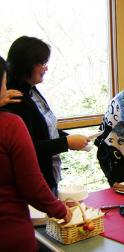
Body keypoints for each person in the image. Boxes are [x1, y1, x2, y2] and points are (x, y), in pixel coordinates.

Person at [0, 55, 72, 252]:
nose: (46, 69)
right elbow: (30, 183)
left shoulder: (31, 94)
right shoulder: (11, 121)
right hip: (9, 232)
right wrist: (59, 208)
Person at [4, 36, 89, 195]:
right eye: (42, 64)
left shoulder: (30, 89)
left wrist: (71, 138)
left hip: (48, 177)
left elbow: (44, 129)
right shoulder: (16, 98)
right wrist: (66, 143)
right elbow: (26, 149)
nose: (46, 68)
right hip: (32, 185)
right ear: (27, 65)